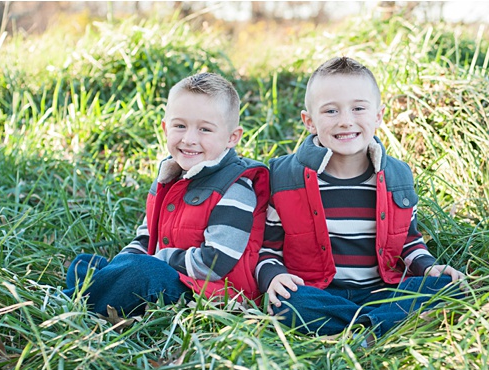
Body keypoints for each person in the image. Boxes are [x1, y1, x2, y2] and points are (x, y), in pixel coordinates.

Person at [257, 57, 466, 337]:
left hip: (382, 291)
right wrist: (274, 277)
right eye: (331, 111)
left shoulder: (397, 177)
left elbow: (408, 240)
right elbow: (267, 249)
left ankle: (354, 328)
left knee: (447, 288)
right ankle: (377, 326)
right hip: (318, 293)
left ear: (378, 116)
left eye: (358, 108)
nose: (346, 121)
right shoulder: (284, 177)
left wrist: (428, 267)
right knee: (287, 303)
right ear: (309, 121)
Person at [65, 72, 269, 316]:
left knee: (142, 272)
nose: (189, 139)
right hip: (170, 273)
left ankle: (70, 302)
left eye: (205, 129)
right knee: (84, 264)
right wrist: (124, 263)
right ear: (165, 127)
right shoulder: (171, 177)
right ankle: (106, 288)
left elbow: (215, 263)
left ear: (231, 138)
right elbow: (147, 237)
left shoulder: (235, 188)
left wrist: (156, 260)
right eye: (180, 126)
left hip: (210, 294)